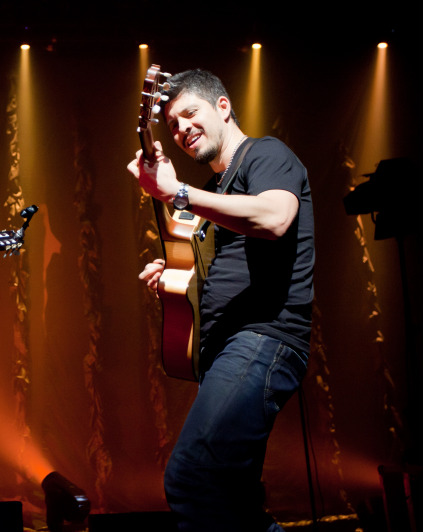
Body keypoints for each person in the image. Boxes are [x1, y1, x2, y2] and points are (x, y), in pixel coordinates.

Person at [127, 69, 315, 531]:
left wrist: (179, 194)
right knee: (233, 502)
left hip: (262, 339)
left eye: (190, 113)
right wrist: (174, 276)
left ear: (223, 107)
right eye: (171, 124)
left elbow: (273, 217)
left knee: (192, 479)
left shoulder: (266, 154)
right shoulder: (211, 196)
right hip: (227, 350)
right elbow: (216, 271)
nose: (181, 128)